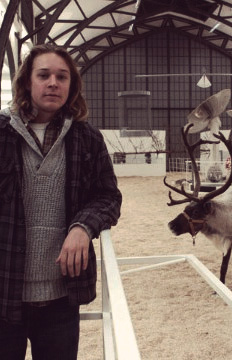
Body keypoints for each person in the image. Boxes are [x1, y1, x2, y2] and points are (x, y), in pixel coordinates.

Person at [0, 43, 122, 360]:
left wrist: (83, 227)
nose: (53, 82)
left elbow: (109, 195)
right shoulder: (1, 133)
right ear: (27, 81)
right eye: (44, 75)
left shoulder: (87, 137)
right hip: (3, 290)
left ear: (71, 85)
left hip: (60, 298)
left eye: (62, 76)